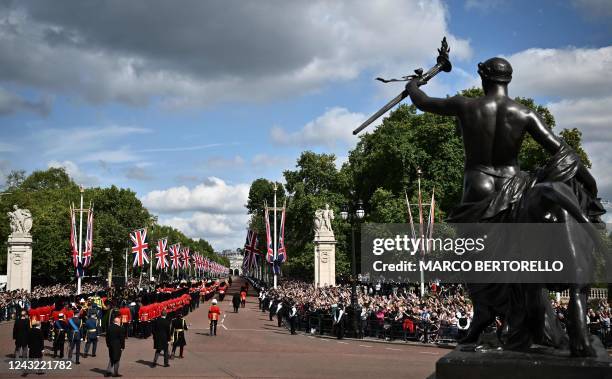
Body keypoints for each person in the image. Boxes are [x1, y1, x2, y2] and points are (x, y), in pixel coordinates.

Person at [406, 57, 603, 357]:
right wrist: (588, 182)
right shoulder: (523, 113)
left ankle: (489, 316)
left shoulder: (466, 106)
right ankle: (525, 325)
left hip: (478, 185)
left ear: (483, 75)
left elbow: (422, 102)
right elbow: (562, 150)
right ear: (508, 80)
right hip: (516, 187)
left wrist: (413, 84)